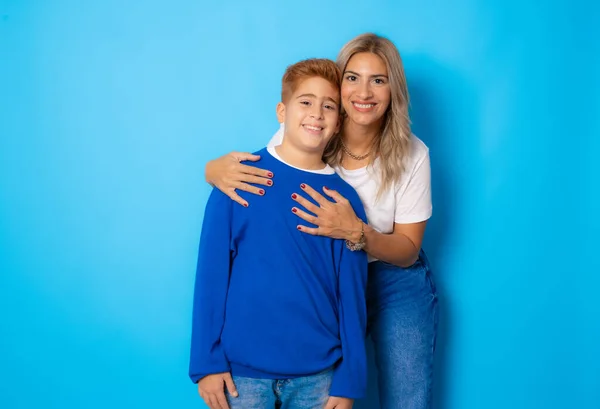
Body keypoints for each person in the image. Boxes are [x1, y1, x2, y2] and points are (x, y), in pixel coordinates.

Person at [204, 33, 439, 409]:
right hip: (325, 273)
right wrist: (212, 171)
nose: (364, 91)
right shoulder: (316, 124)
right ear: (339, 85)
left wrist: (355, 231)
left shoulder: (413, 153)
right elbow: (265, 168)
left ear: (394, 90)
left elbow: (408, 250)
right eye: (353, 78)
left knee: (406, 393)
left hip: (393, 272)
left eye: (378, 80)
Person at [189, 58, 369, 409]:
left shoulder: (345, 200)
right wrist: (206, 362)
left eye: (328, 105)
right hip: (242, 377)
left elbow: (352, 296)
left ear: (338, 121)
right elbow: (210, 276)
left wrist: (350, 379)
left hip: (320, 376)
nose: (316, 113)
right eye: (305, 102)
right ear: (281, 111)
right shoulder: (237, 178)